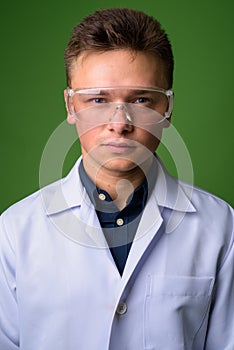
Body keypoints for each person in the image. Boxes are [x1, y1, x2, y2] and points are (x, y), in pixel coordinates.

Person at [0, 8, 233, 350]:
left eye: (141, 99)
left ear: (166, 109)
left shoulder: (221, 227)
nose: (119, 122)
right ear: (70, 106)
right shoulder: (14, 232)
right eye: (98, 99)